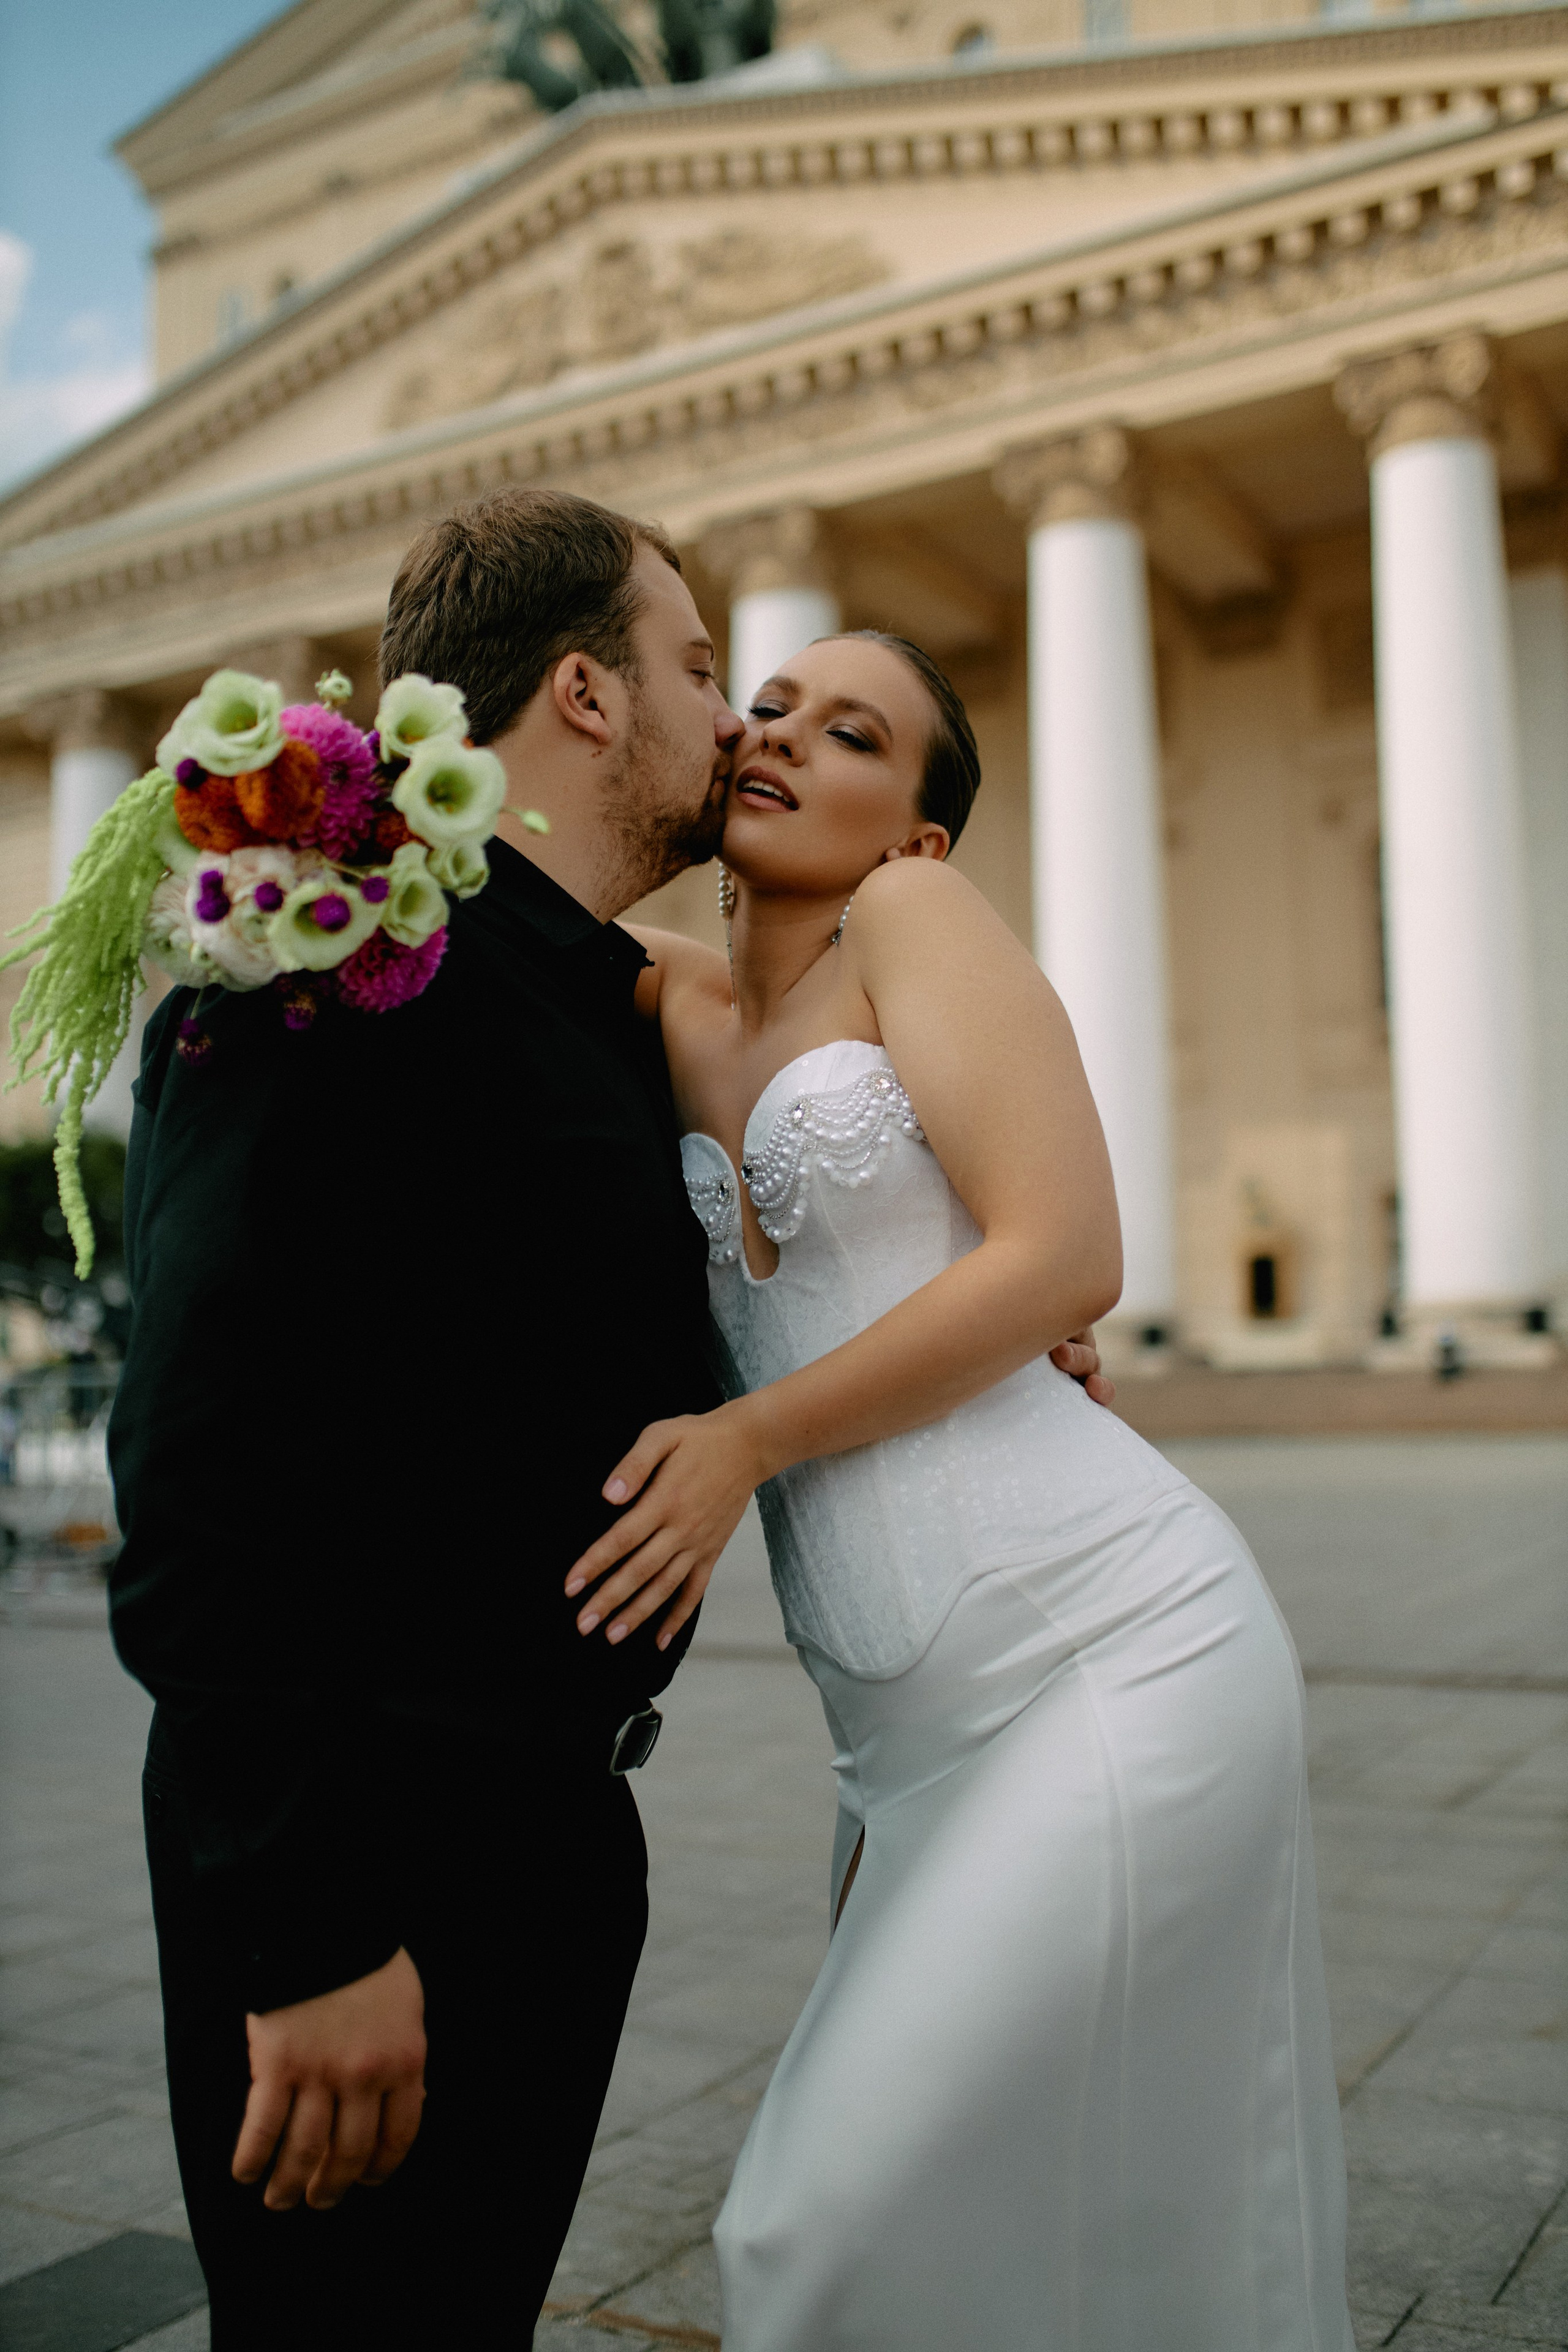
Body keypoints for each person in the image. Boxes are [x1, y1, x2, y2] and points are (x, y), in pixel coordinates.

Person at [109, 490, 1110, 2347]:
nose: (737, 724)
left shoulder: (608, 1008)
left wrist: (962, 1323)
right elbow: (198, 1481)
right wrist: (310, 1930)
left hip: (558, 1846)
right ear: (583, 695)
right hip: (375, 1862)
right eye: (704, 670)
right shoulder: (334, 962)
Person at [565, 628, 1356, 2350]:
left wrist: (751, 1441)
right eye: (765, 706)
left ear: (918, 835)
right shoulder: (668, 1005)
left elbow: (1068, 1251)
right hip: (900, 1747)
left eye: (854, 735)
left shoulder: (912, 922)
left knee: (806, 2227)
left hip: (1112, 1651)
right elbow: (496, 926)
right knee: (1014, 2225)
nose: (781, 736)